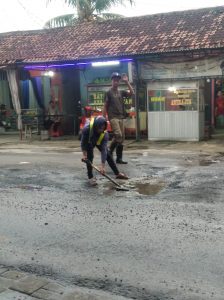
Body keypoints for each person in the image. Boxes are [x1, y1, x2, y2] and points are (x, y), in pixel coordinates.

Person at [81, 115, 128, 186]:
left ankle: (117, 173)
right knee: (89, 157)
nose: (101, 130)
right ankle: (90, 177)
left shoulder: (104, 134)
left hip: (99, 140)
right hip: (89, 140)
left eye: (103, 128)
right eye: (99, 128)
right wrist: (84, 155)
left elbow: (104, 151)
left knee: (108, 155)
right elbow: (83, 143)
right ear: (95, 126)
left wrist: (102, 166)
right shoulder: (86, 129)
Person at [103, 72, 134, 164]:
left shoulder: (121, 92)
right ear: (112, 81)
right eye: (114, 81)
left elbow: (132, 93)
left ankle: (118, 158)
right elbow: (105, 105)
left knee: (121, 139)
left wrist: (127, 82)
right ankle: (109, 151)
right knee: (118, 135)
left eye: (117, 81)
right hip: (113, 117)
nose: (116, 82)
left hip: (121, 117)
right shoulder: (108, 92)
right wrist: (103, 118)